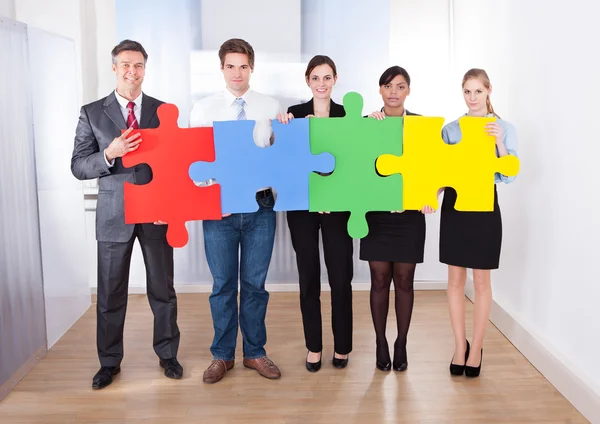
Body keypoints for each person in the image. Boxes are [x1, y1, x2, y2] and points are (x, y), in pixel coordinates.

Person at [71, 39, 182, 390]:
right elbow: (78, 166)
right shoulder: (92, 112)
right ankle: (109, 362)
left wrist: (171, 206)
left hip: (156, 213)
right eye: (125, 65)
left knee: (162, 290)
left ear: (145, 69)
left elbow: (176, 166)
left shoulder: (163, 110)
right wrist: (109, 153)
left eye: (138, 65)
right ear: (115, 68)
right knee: (110, 292)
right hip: (113, 215)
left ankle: (168, 355)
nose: (131, 71)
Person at [189, 38, 283, 384]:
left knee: (255, 284)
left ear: (252, 67)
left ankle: (255, 352)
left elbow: (278, 157)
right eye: (231, 66)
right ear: (221, 68)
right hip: (220, 207)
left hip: (260, 206)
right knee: (222, 284)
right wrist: (211, 192)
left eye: (243, 66)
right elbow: (194, 162)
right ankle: (222, 355)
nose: (237, 72)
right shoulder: (203, 109)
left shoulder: (270, 105)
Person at [424, 68, 518, 378]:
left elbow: (508, 174)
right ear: (462, 93)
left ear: (489, 90)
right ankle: (459, 346)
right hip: (455, 208)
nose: (472, 97)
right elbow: (440, 171)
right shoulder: (451, 130)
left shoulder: (503, 128)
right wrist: (430, 195)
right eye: (467, 92)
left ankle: (476, 347)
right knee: (454, 281)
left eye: (478, 91)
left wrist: (500, 143)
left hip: (484, 207)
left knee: (481, 282)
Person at [277, 55, 354, 372]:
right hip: (303, 208)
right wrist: (283, 128)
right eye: (315, 78)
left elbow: (353, 162)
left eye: (327, 77)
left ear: (335, 79)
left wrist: (375, 120)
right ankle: (314, 346)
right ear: (308, 81)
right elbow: (288, 161)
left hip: (337, 207)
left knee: (341, 278)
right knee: (308, 277)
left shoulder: (348, 114)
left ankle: (343, 346)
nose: (321, 84)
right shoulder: (294, 114)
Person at [361, 66, 426, 372]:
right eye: (388, 86)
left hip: (409, 216)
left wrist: (422, 197)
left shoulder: (421, 126)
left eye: (400, 87)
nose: (394, 92)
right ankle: (380, 341)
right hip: (376, 215)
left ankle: (401, 341)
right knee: (378, 279)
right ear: (380, 90)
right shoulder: (368, 124)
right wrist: (367, 129)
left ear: (408, 91)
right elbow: (358, 168)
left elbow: (430, 168)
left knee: (404, 280)